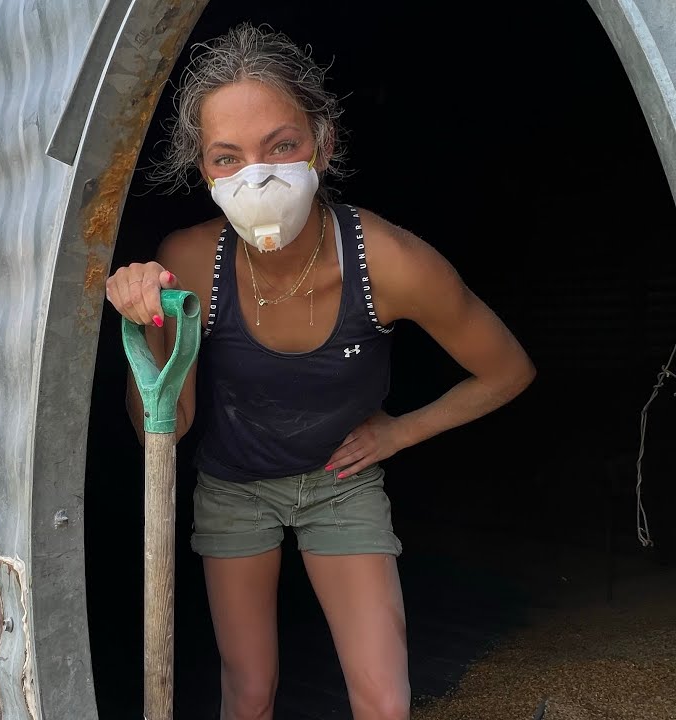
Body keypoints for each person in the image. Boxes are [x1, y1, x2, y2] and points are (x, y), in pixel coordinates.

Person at [104, 22, 536, 720]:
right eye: (227, 158)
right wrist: (147, 326)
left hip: (340, 485)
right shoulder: (187, 262)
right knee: (249, 693)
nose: (259, 175)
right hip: (235, 486)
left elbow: (508, 370)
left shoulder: (389, 262)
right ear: (204, 172)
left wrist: (399, 433)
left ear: (323, 143)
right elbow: (167, 427)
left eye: (283, 145)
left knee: (383, 701)